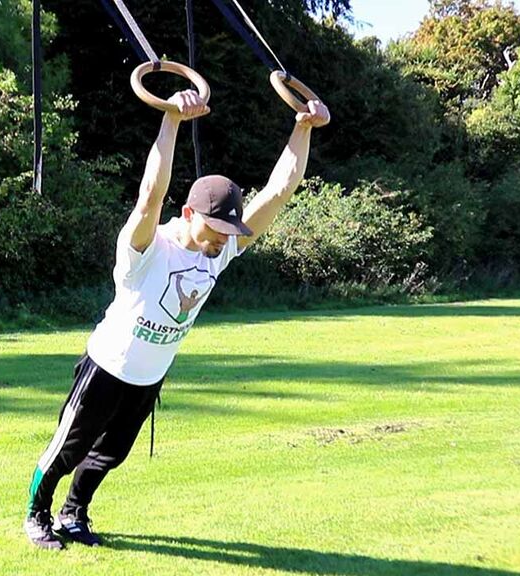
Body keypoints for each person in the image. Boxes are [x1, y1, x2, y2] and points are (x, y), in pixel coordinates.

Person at [23, 89, 330, 550]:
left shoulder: (219, 250)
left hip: (151, 375)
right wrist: (171, 119)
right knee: (69, 448)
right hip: (107, 366)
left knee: (111, 453)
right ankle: (36, 514)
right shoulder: (147, 248)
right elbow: (150, 195)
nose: (222, 241)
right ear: (189, 214)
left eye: (230, 232)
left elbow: (279, 191)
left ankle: (73, 513)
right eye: (215, 230)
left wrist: (302, 129)